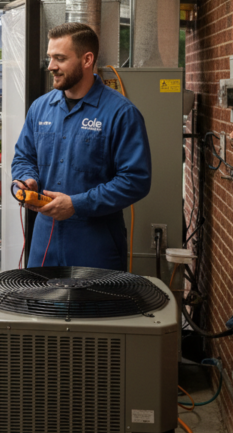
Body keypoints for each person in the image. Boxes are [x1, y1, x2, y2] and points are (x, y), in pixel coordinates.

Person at [11, 22, 151, 271]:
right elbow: (24, 157)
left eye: (60, 58)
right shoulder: (40, 108)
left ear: (87, 60)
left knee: (95, 299)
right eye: (50, 57)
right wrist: (26, 179)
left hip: (96, 246)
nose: (51, 66)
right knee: (41, 297)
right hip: (44, 242)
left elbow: (135, 180)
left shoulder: (121, 113)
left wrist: (77, 204)